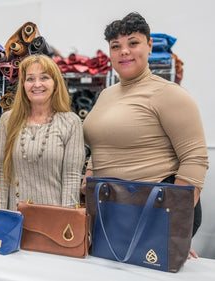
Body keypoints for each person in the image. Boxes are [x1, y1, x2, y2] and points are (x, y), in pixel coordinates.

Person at [81, 12, 209, 258]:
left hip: (156, 208)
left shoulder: (168, 94)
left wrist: (171, 224)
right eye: (116, 46)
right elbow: (99, 143)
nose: (124, 51)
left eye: (133, 43)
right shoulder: (106, 95)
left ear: (149, 45)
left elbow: (195, 161)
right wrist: (89, 172)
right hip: (113, 209)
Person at [0, 54, 85, 210]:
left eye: (44, 78)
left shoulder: (70, 122)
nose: (36, 84)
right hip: (15, 223)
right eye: (30, 79)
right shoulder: (8, 121)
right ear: (22, 85)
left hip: (53, 223)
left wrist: (66, 222)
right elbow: (2, 174)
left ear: (55, 84)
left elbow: (71, 179)